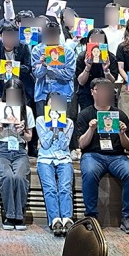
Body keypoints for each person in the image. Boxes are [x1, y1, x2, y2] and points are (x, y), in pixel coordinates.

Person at [76, 78, 129, 234]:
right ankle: (91, 216)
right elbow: (81, 144)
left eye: (108, 91)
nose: (105, 94)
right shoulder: (85, 114)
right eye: (101, 90)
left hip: (117, 156)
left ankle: (128, 218)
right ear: (93, 92)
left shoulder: (119, 115)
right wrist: (91, 129)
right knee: (89, 172)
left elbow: (128, 146)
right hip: (92, 155)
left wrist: (122, 134)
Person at [0, 78, 35, 230]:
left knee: (20, 177)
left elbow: (29, 137)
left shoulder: (27, 110)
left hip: (20, 150)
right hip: (1, 149)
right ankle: (9, 215)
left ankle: (19, 215)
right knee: (7, 176)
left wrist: (21, 132)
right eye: (10, 94)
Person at [36, 92, 74, 236]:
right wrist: (52, 128)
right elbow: (45, 144)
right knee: (50, 188)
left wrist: (61, 128)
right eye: (52, 103)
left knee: (65, 188)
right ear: (47, 105)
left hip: (63, 158)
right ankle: (55, 220)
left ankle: (67, 219)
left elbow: (64, 146)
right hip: (45, 158)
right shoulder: (40, 120)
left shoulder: (69, 123)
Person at [31, 20, 77, 116]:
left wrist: (49, 68)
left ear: (59, 35)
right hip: (42, 94)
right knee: (42, 123)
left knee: (59, 123)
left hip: (62, 93)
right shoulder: (37, 50)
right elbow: (37, 74)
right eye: (48, 35)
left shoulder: (68, 51)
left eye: (54, 35)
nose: (51, 39)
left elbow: (69, 74)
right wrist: (43, 66)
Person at [0, 22, 34, 106]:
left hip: (22, 87)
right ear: (0, 36)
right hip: (2, 89)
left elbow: (28, 68)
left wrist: (13, 68)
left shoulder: (23, 47)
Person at [75, 29, 117, 110]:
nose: (96, 42)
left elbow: (112, 81)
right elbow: (81, 82)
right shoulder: (82, 57)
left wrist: (106, 70)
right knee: (88, 115)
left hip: (106, 93)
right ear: (88, 41)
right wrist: (87, 68)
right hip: (86, 94)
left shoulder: (110, 57)